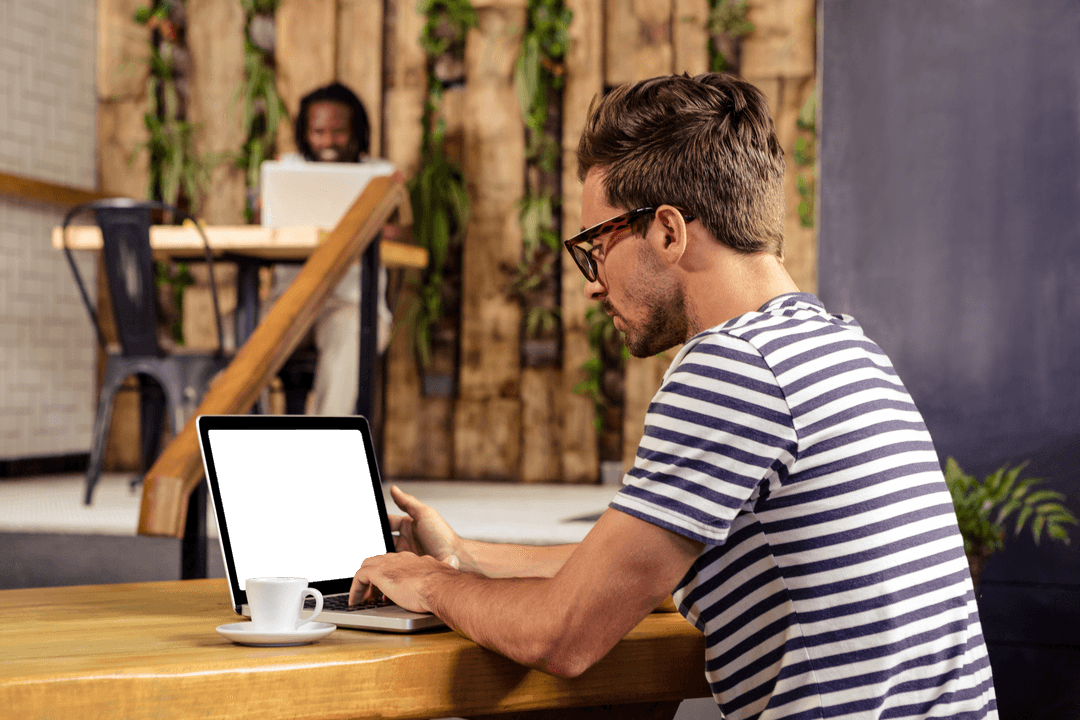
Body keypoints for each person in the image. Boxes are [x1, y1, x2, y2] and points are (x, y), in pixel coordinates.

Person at [349, 73, 998, 719]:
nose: (591, 284)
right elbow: (628, 565)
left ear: (666, 231)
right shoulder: (838, 347)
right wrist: (461, 555)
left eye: (595, 247)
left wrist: (432, 585)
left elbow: (563, 635)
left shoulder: (733, 367)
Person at [267, 82, 392, 415]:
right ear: (304, 133)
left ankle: (319, 455)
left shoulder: (379, 177)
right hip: (290, 305)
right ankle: (228, 456)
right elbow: (263, 228)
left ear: (358, 133)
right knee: (242, 331)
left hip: (350, 306)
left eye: (338, 132)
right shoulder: (287, 170)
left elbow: (396, 240)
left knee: (351, 336)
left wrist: (390, 203)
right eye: (318, 132)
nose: (327, 142)